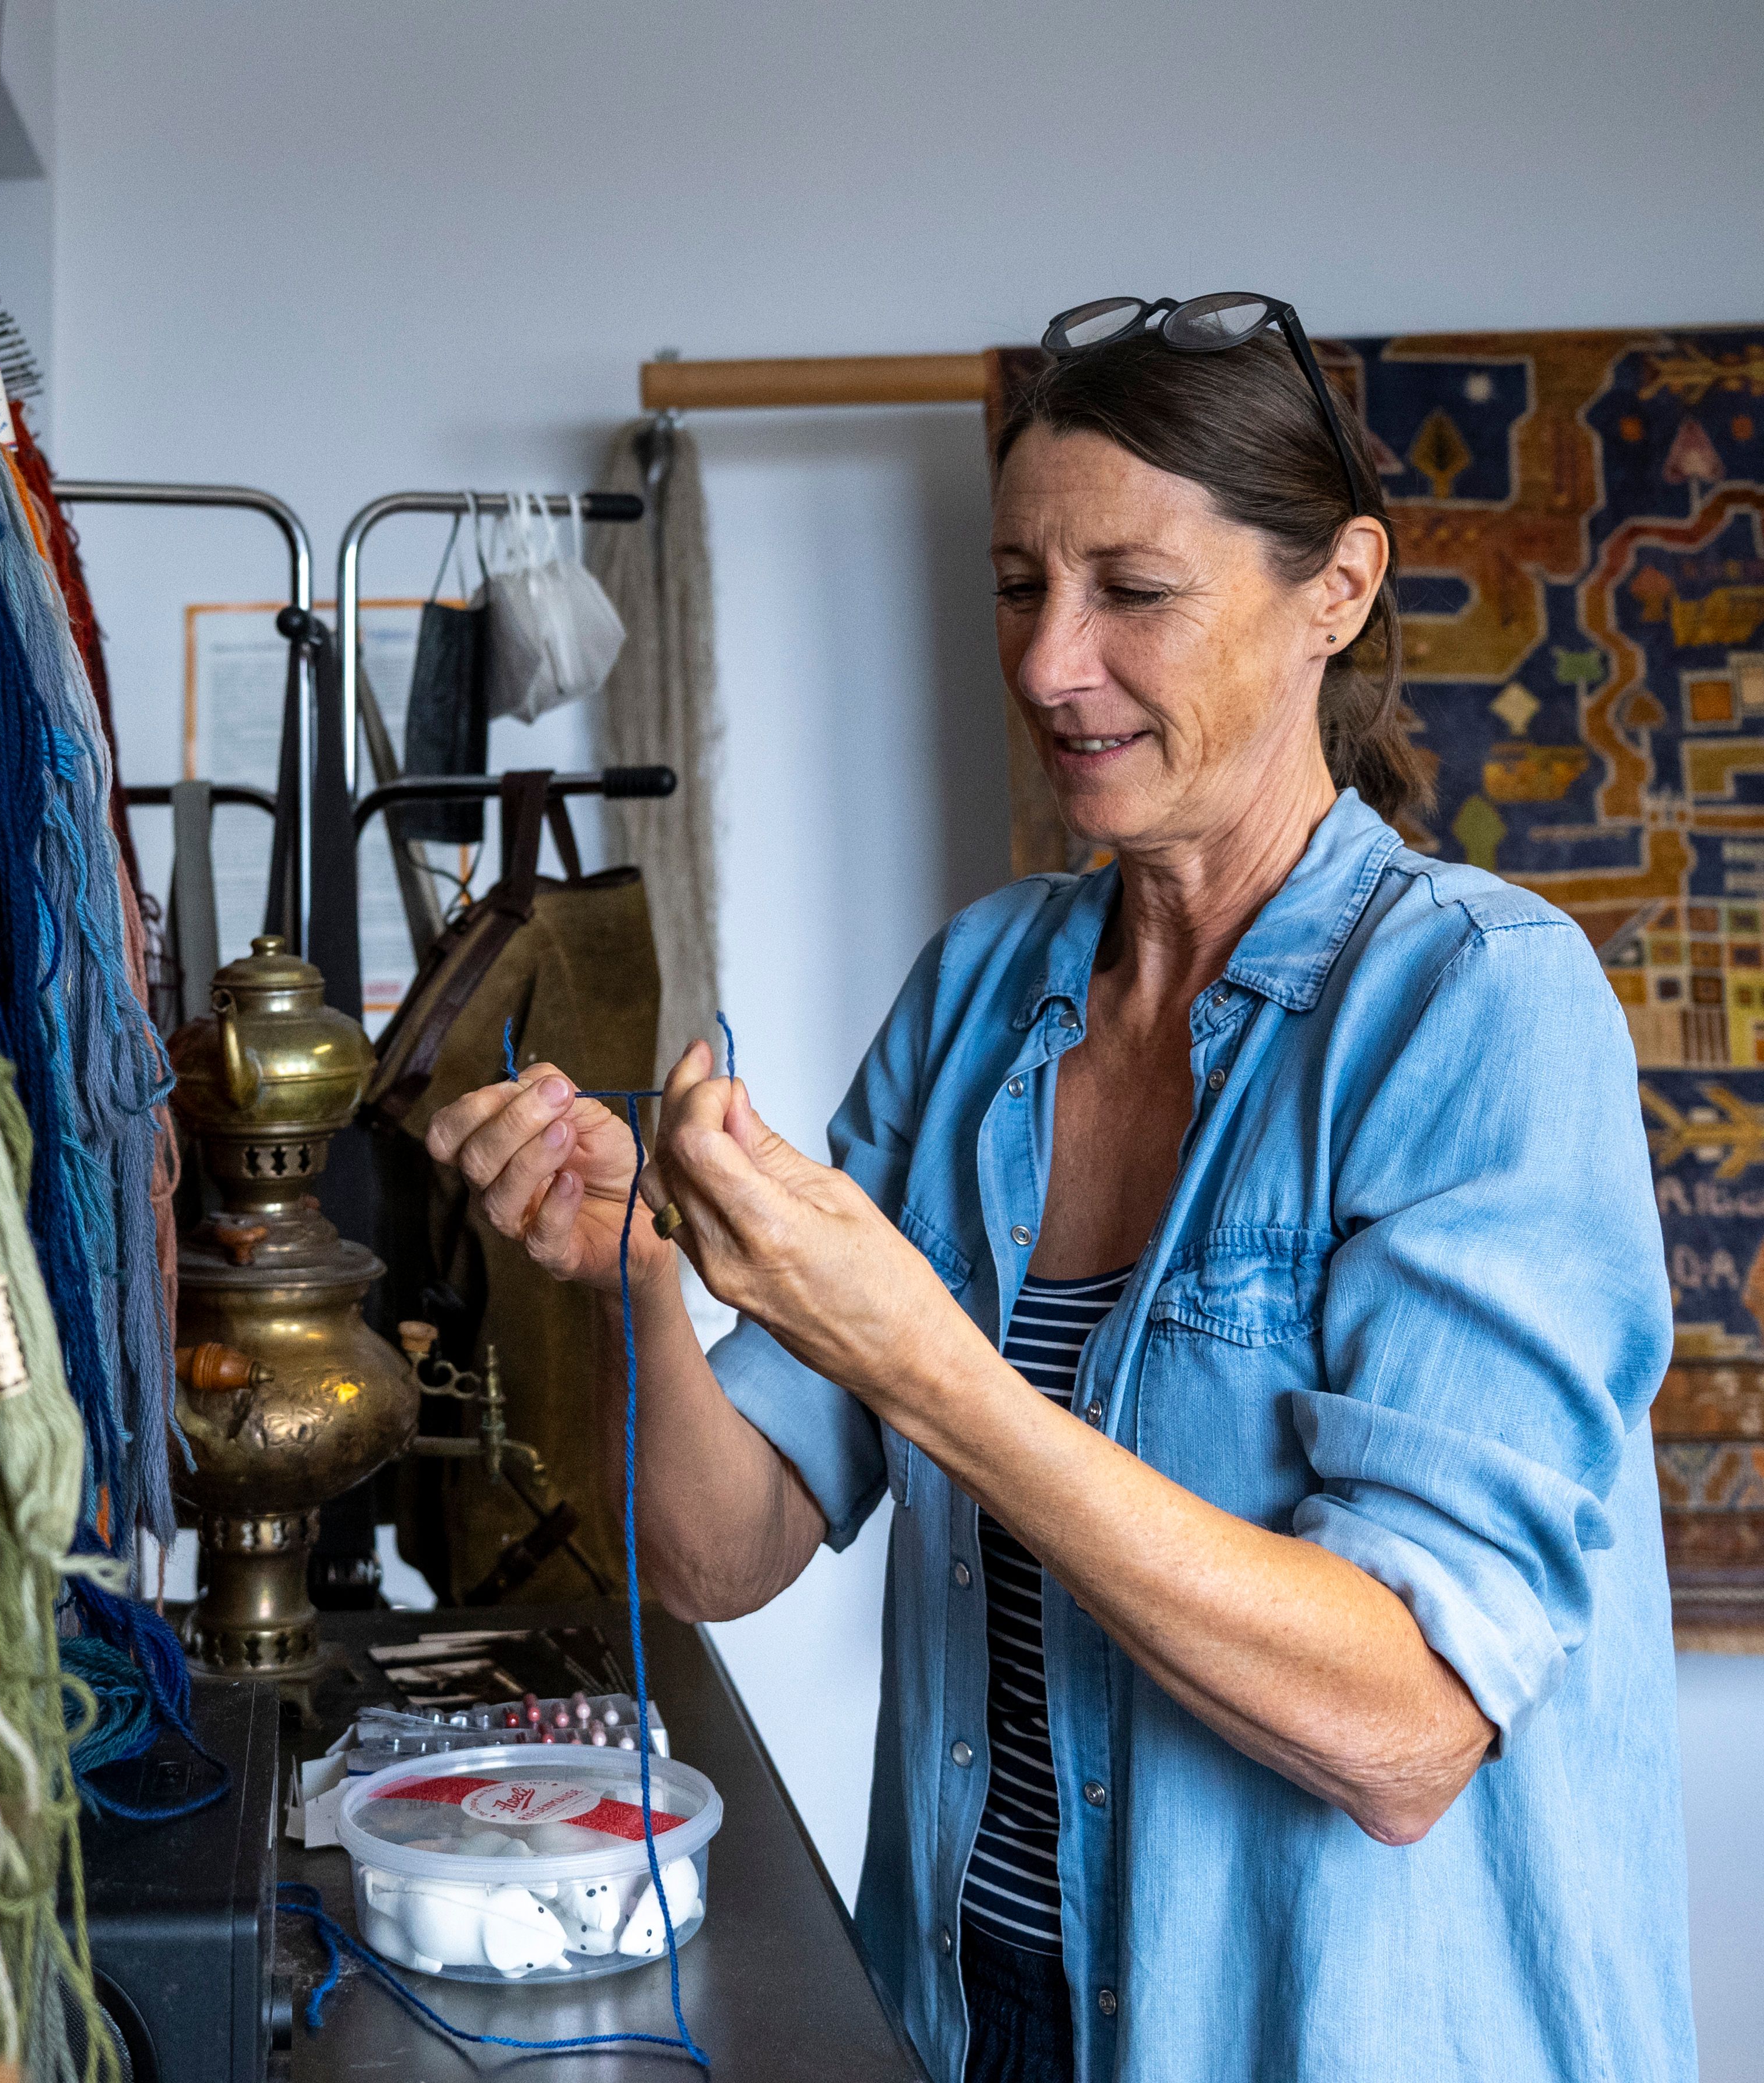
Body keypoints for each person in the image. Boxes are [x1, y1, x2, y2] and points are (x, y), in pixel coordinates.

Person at [428, 295, 1694, 2083]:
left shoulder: (1474, 1004)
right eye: (1022, 586)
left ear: (1336, 589)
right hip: (975, 2021)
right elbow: (724, 1551)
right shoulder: (981, 992)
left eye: (1132, 592)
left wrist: (932, 1363)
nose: (1046, 661)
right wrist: (633, 1266)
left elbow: (1405, 1727)